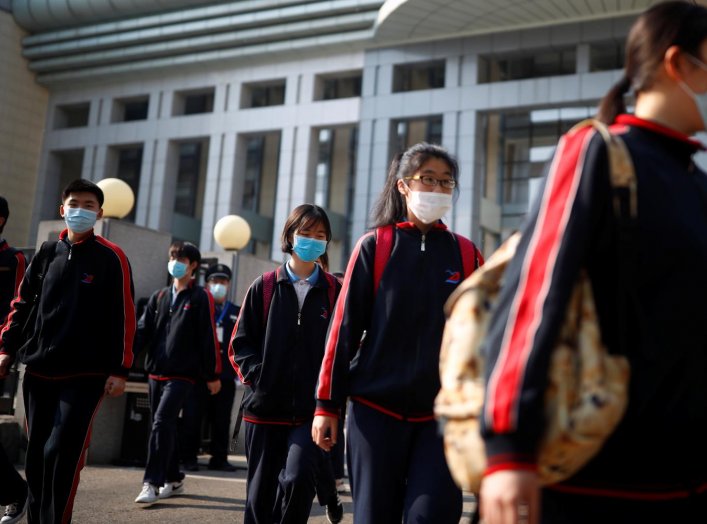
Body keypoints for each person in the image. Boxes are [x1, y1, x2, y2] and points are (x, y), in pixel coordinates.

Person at [478, 3, 707, 523]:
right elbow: (534, 296)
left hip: (685, 480)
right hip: (592, 481)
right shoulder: (595, 152)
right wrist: (508, 449)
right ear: (679, 63)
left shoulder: (696, 181)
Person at [313, 142, 483, 523]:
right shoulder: (376, 246)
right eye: (428, 180)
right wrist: (326, 405)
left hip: (440, 417)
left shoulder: (466, 254)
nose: (437, 190)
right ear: (403, 186)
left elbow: (482, 336)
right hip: (375, 412)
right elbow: (342, 330)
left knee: (431, 515)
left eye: (445, 182)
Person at [0, 179, 136, 523]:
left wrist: (120, 370)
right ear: (62, 210)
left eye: (89, 205)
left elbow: (124, 315)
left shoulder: (112, 257)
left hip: (85, 375)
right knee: (36, 457)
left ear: (100, 213)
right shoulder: (46, 252)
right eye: (74, 203)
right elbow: (22, 303)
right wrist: (6, 348)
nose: (81, 210)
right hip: (39, 370)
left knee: (61, 452)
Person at [230, 204, 343, 524]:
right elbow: (240, 344)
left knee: (297, 482)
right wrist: (260, 376)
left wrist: (334, 390)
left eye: (320, 235)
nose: (312, 240)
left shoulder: (335, 292)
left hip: (312, 413)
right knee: (259, 499)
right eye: (305, 233)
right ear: (290, 236)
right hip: (264, 411)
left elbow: (347, 346)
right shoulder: (264, 286)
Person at [134, 241, 222, 504]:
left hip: (182, 375)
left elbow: (208, 337)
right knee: (163, 425)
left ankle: (151, 482)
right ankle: (174, 477)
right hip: (155, 372)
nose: (175, 261)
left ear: (193, 265)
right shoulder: (159, 297)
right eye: (172, 256)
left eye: (181, 258)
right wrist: (121, 362)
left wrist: (212, 375)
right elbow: (142, 332)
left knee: (161, 422)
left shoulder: (200, 296)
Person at [179, 263, 240, 472]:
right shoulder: (199, 306)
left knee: (222, 420)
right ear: (208, 283)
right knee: (192, 417)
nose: (219, 285)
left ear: (229, 284)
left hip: (225, 376)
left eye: (222, 282)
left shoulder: (236, 312)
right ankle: (188, 457)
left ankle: (219, 457)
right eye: (215, 281)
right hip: (198, 375)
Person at [0, 196, 28, 524]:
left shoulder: (14, 259)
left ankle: (15, 492)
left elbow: (18, 307)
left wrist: (6, 350)